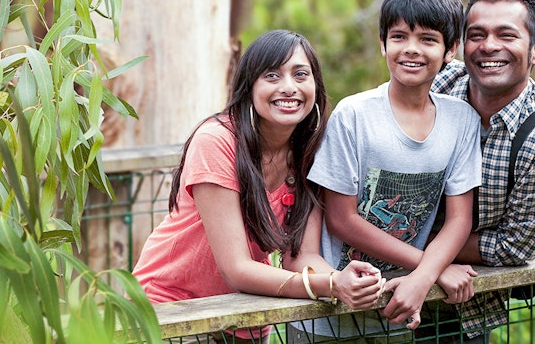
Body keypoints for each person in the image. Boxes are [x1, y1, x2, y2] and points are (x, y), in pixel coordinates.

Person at [132, 29, 386, 341]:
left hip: (244, 314)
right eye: (272, 75)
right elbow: (236, 268)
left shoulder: (309, 153)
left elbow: (300, 257)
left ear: (316, 87)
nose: (288, 87)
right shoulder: (217, 141)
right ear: (249, 86)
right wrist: (331, 286)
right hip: (171, 312)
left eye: (300, 74)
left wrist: (346, 279)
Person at [291, 0, 483, 342]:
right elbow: (341, 218)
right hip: (327, 316)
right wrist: (432, 271)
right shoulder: (355, 115)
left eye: (427, 39)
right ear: (383, 44)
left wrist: (420, 281)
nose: (411, 49)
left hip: (396, 309)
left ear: (451, 49)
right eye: (399, 37)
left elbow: (459, 220)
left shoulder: (462, 121)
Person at [425, 0, 535, 341]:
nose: (489, 46)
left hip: (460, 308)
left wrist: (417, 247)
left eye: (507, 35)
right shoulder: (438, 83)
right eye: (476, 34)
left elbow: (513, 248)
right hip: (376, 289)